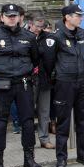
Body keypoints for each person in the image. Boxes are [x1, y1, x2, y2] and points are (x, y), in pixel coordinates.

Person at [0, 4, 43, 167]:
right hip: (2, 83)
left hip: (23, 83)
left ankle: (29, 159)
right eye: (8, 16)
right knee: (0, 123)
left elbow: (35, 59)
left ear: (19, 17)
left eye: (14, 16)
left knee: (28, 122)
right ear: (2, 17)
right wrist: (0, 73)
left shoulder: (29, 37)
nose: (12, 18)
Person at [41, 4, 84, 167]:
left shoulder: (82, 33)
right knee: (63, 122)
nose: (81, 18)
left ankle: (83, 154)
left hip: (82, 80)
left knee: (83, 120)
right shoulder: (55, 36)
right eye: (78, 15)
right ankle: (61, 158)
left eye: (81, 15)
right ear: (68, 17)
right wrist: (57, 75)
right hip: (64, 82)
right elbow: (48, 61)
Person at [31, 15, 55, 149]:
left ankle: (44, 138)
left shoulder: (48, 38)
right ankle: (28, 140)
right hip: (29, 79)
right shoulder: (24, 37)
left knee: (44, 111)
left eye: (41, 27)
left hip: (44, 78)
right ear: (31, 24)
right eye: (36, 26)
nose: (38, 29)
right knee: (28, 111)